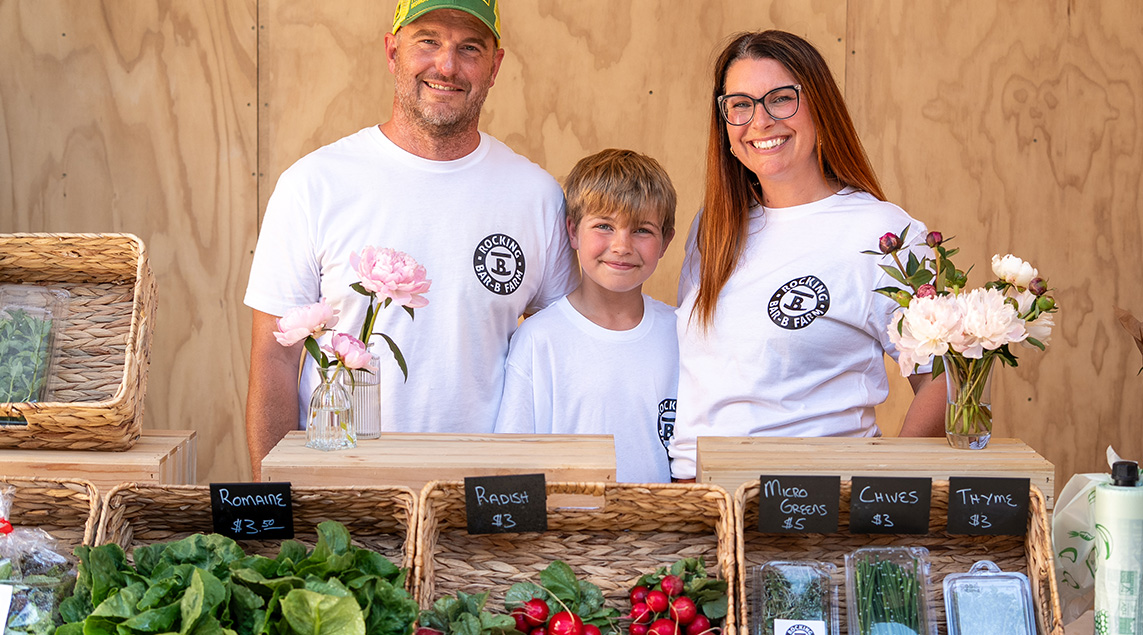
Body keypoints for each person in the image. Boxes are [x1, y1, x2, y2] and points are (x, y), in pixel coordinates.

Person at [244, 0, 579, 479]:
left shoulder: (537, 197)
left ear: (495, 66)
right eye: (428, 41)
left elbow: (562, 354)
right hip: (343, 502)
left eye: (469, 48)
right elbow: (274, 358)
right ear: (392, 51)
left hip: (484, 508)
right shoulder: (314, 185)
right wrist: (274, 511)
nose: (446, 65)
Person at [669, 30, 946, 481]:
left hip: (809, 510)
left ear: (820, 105)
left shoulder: (882, 233)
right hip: (696, 501)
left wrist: (889, 485)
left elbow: (946, 379)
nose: (759, 121)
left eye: (780, 99)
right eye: (739, 104)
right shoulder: (714, 226)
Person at [494, 149, 678, 483]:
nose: (622, 246)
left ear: (666, 241)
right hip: (565, 533)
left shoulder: (683, 334)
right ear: (573, 231)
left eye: (642, 230)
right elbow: (513, 461)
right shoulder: (539, 339)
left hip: (663, 531)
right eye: (604, 226)